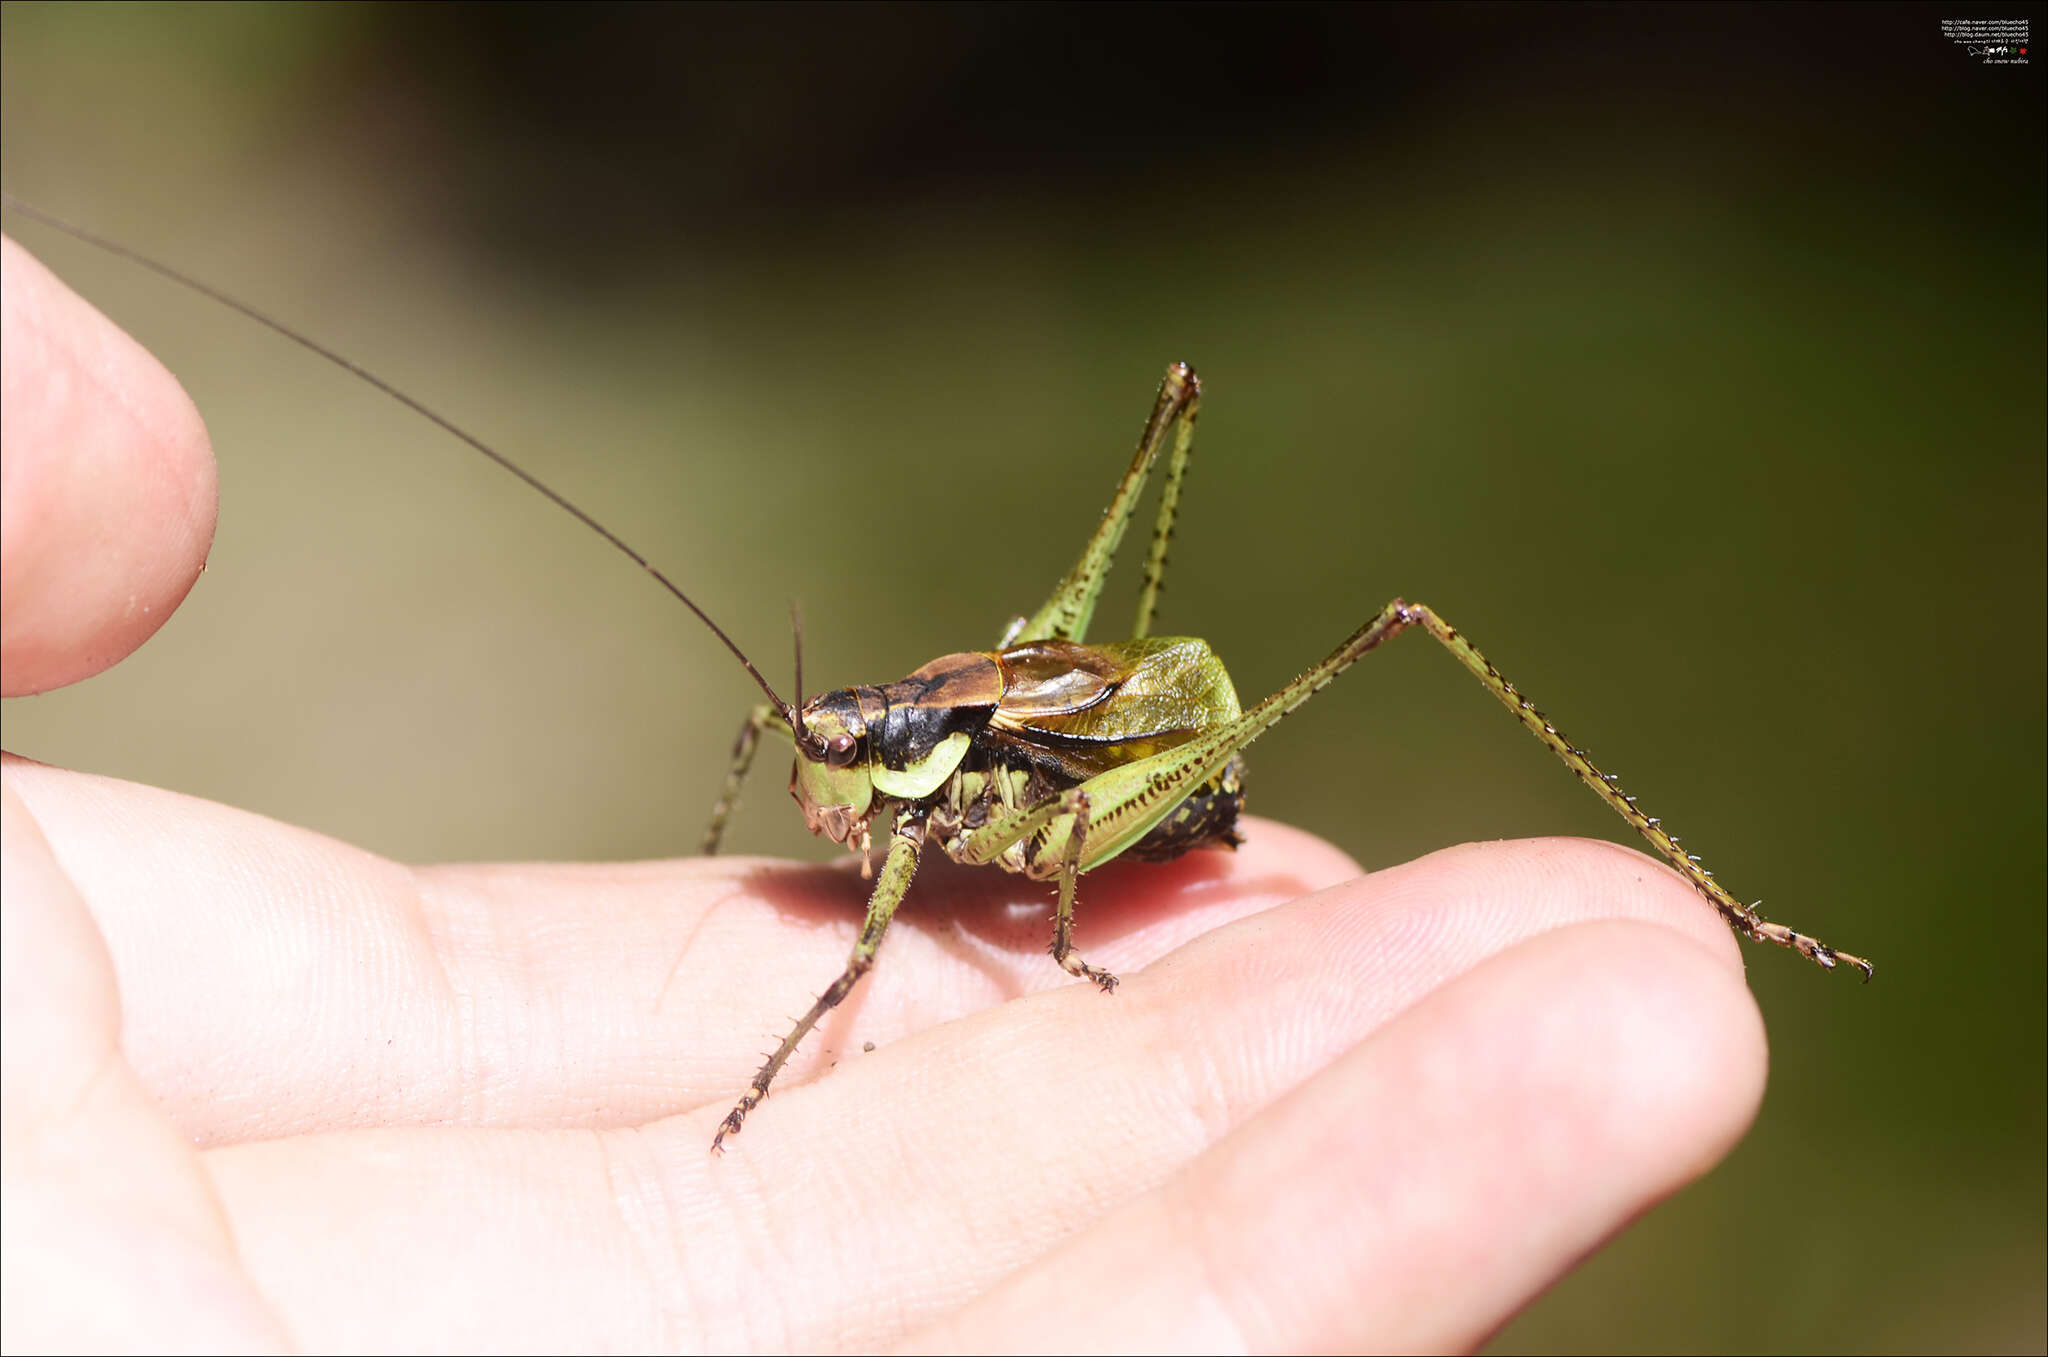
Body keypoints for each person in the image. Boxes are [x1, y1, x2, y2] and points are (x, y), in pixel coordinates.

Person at [0, 233, 1766, 1351]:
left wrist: (803, 1055)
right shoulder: (866, 750)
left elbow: (862, 960)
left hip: (1130, 778)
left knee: (1395, 622)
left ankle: (1736, 904)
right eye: (819, 758)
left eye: (838, 763)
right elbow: (831, 760)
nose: (821, 787)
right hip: (1021, 732)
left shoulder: (955, 801)